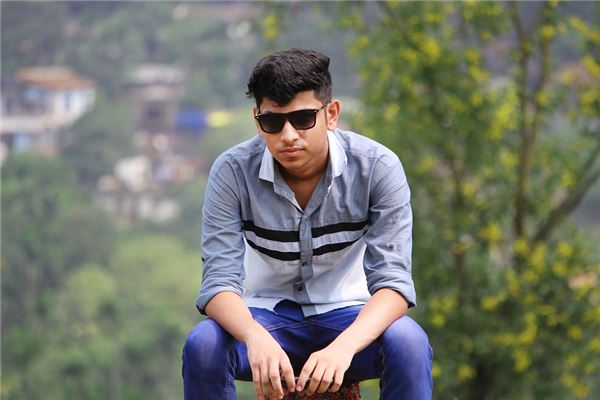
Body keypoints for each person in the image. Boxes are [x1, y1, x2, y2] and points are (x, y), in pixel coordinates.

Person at [182, 48, 432, 400]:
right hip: (267, 317)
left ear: (331, 114)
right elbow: (218, 282)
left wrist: (343, 347)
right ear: (257, 121)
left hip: (349, 316)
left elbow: (393, 284)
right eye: (273, 122)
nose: (288, 135)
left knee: (408, 341)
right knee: (204, 344)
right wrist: (254, 335)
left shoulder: (377, 167)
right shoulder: (232, 172)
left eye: (302, 119)